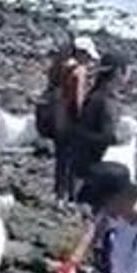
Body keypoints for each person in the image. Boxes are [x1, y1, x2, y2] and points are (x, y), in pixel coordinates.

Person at [37, 37, 100, 202]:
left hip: (57, 116)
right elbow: (77, 98)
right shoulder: (79, 70)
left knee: (61, 158)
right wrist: (83, 118)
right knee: (73, 159)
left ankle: (59, 195)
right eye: (88, 56)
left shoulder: (60, 66)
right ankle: (71, 197)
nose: (89, 61)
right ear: (82, 53)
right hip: (70, 118)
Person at [73, 52, 131, 182]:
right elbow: (107, 137)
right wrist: (122, 138)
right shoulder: (106, 100)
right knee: (123, 175)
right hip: (90, 168)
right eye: (127, 71)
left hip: (78, 162)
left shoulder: (96, 94)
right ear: (119, 72)